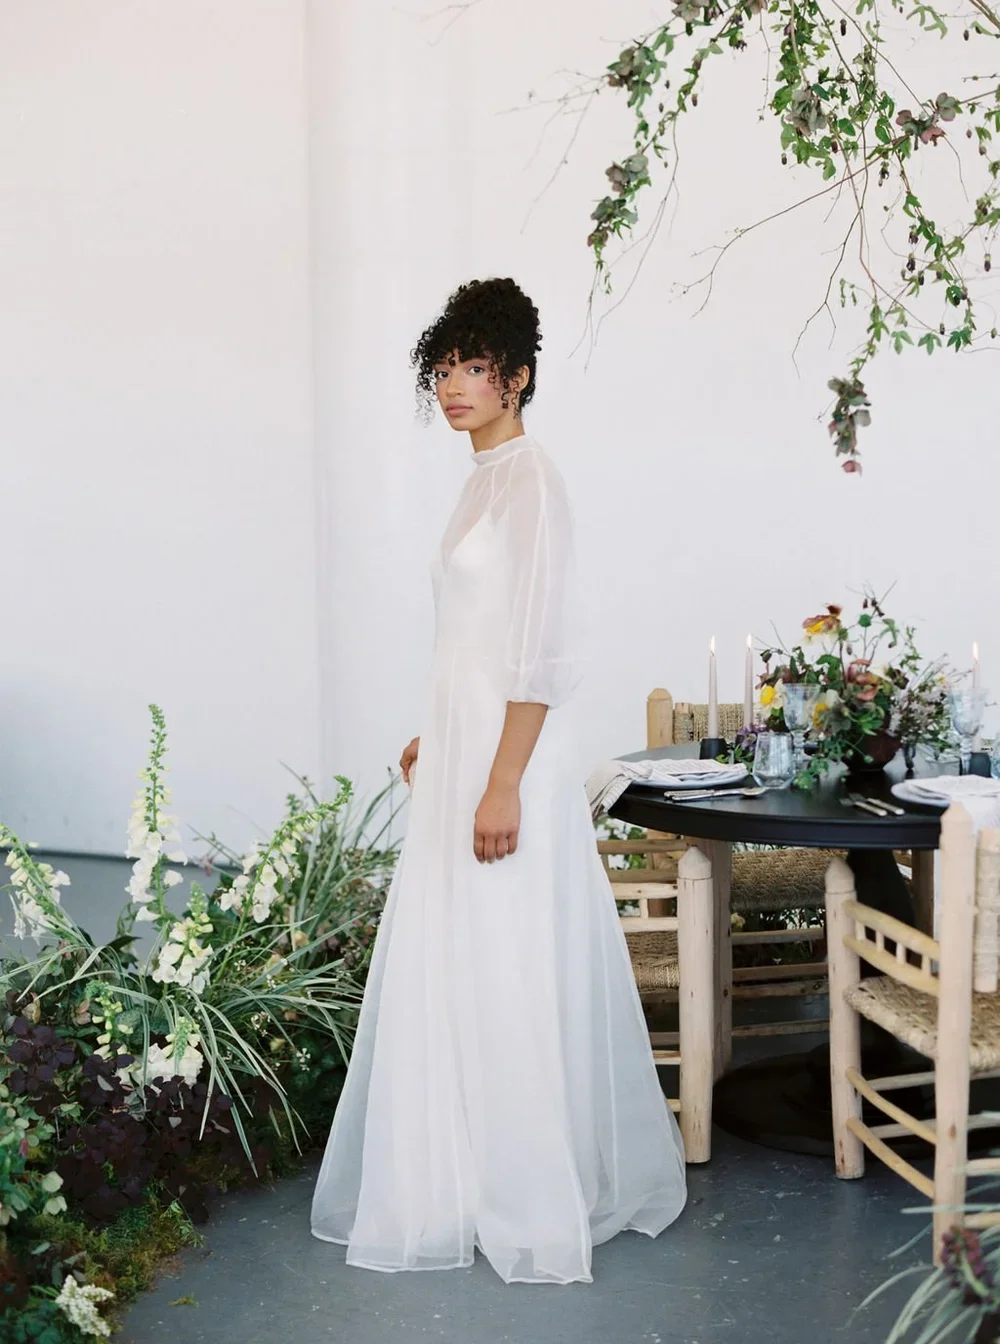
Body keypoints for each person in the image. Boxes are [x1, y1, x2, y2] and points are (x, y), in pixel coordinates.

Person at [310, 277, 686, 1284]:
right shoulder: (480, 479)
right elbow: (473, 638)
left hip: (510, 759)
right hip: (466, 747)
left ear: (516, 377)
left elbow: (542, 652)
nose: (452, 386)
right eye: (442, 370)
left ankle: (523, 1187)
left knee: (508, 950)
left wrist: (502, 780)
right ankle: (460, 1175)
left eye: (473, 368)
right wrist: (436, 735)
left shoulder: (531, 481)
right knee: (459, 951)